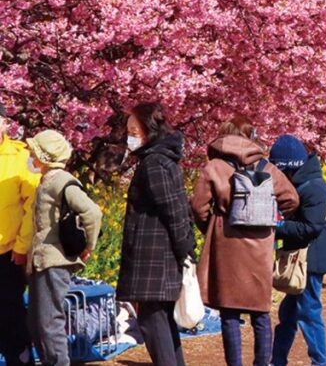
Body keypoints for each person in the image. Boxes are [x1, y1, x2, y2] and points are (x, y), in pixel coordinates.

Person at [190, 116, 300, 366]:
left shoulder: (215, 167)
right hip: (260, 245)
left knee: (229, 313)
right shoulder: (266, 167)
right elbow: (292, 199)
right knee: (260, 313)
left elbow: (198, 206)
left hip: (226, 243)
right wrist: (270, 217)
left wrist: (212, 225)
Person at [117, 102, 196, 366]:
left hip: (154, 256)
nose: (129, 135)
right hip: (157, 255)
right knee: (159, 321)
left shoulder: (153, 163)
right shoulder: (159, 160)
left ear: (148, 130)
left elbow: (173, 209)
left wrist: (185, 247)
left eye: (133, 129)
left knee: (153, 322)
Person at [26, 130, 102, 366]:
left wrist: (87, 245)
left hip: (54, 260)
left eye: (34, 151)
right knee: (38, 321)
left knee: (49, 322)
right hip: (44, 260)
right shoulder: (49, 179)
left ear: (44, 155)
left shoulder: (60, 180)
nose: (30, 155)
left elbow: (92, 212)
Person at [269, 135, 326, 366]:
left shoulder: (313, 188)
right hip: (304, 256)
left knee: (309, 311)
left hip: (312, 258)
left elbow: (311, 227)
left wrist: (277, 226)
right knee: (288, 314)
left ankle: (319, 362)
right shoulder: (303, 184)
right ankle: (277, 360)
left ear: (287, 167)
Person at [0, 104, 39, 366]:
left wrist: (23, 247)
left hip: (9, 251)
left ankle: (20, 358)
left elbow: (34, 205)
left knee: (9, 310)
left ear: (4, 123)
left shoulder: (20, 156)